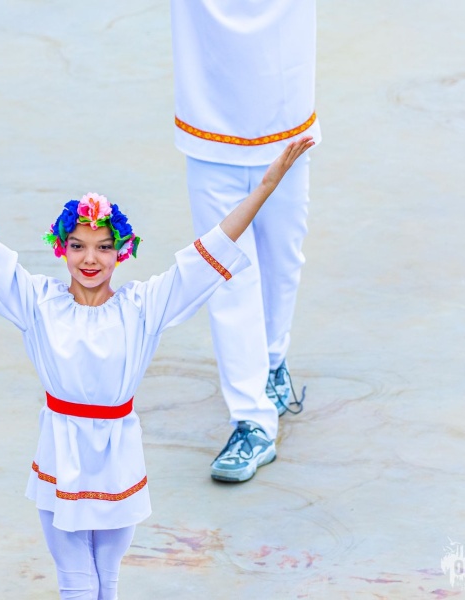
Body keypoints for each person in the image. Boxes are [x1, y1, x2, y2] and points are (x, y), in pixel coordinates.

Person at [0, 126, 313, 598]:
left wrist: (265, 187)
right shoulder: (37, 301)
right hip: (61, 453)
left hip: (118, 458)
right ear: (62, 248)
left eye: (103, 246)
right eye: (77, 245)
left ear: (122, 252)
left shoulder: (143, 306)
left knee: (106, 581)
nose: (90, 258)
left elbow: (209, 251)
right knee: (77, 583)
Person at [170, 0, 322, 482]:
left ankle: (272, 362)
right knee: (227, 277)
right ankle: (251, 420)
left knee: (283, 260)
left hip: (286, 127)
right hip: (210, 131)